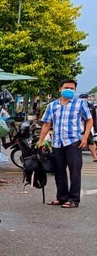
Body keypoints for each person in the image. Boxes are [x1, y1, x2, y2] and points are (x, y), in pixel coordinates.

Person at [36, 80, 93, 208]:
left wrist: (85, 137)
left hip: (74, 142)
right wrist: (40, 141)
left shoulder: (80, 104)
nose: (69, 90)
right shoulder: (52, 105)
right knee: (59, 171)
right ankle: (61, 197)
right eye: (66, 87)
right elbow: (46, 124)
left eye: (72, 88)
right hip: (57, 143)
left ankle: (73, 199)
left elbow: (89, 120)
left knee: (75, 171)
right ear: (60, 89)